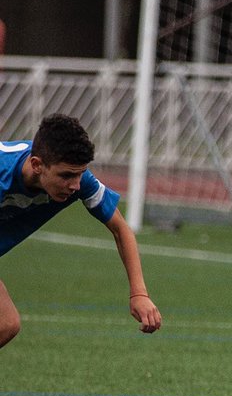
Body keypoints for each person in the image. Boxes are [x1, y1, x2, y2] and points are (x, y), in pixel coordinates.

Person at [0, 113, 162, 347]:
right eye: (66, 175)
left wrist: (139, 294)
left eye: (79, 174)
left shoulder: (80, 182)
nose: (75, 185)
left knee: (6, 325)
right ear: (37, 165)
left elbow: (121, 229)